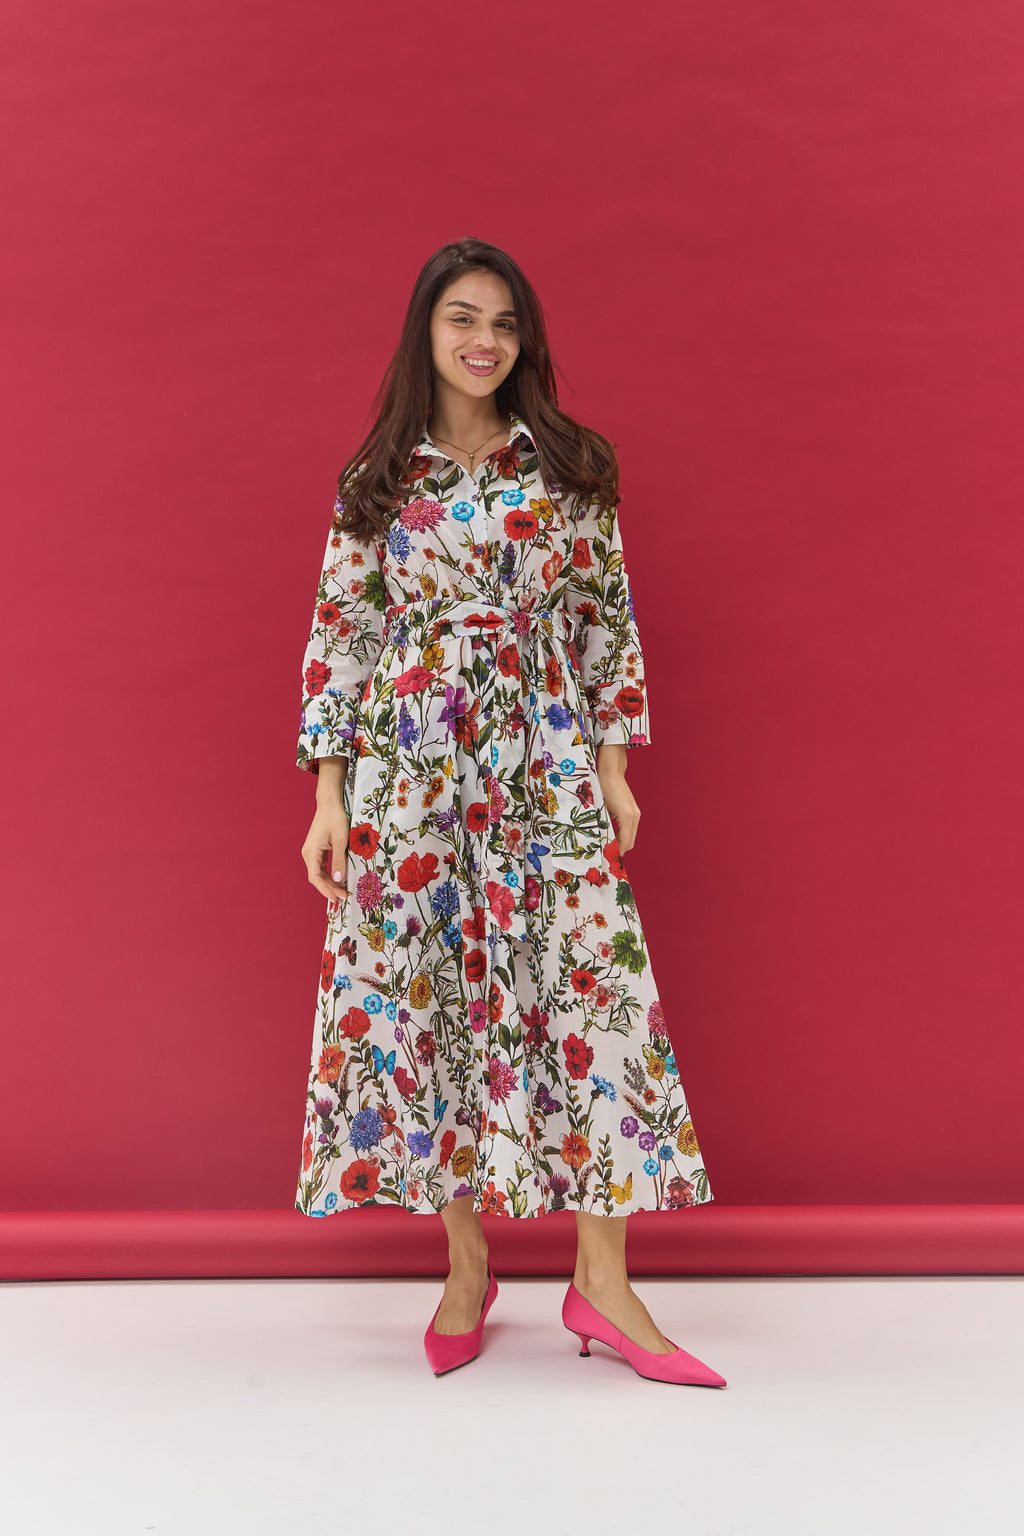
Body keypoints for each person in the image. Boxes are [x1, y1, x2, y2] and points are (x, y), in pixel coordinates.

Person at [295, 237, 725, 1388]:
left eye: (504, 323)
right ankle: (467, 1267)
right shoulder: (375, 482)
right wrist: (330, 798)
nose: (484, 341)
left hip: (545, 758)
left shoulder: (572, 467)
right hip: (413, 770)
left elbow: (604, 628)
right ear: (424, 335)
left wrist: (617, 771)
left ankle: (602, 1286)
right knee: (431, 994)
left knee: (590, 988)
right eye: (460, 320)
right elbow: (341, 643)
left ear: (523, 339)